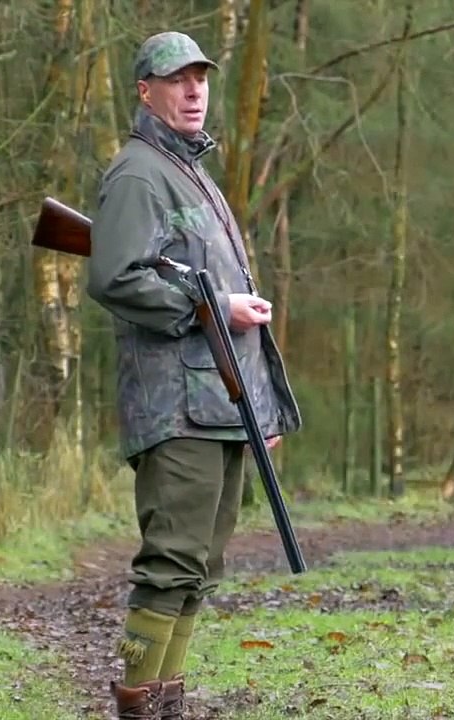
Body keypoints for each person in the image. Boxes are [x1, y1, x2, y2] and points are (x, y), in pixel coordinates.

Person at [85, 30, 302, 720]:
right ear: (145, 91)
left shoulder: (194, 174)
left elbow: (228, 310)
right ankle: (138, 701)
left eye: (201, 78)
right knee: (170, 564)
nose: (195, 91)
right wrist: (211, 304)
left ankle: (165, 696)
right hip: (175, 410)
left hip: (220, 408)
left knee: (199, 567)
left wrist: (260, 414)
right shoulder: (138, 173)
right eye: (178, 80)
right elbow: (115, 276)